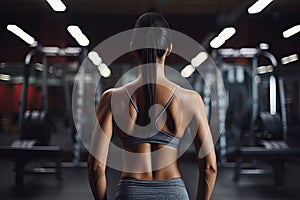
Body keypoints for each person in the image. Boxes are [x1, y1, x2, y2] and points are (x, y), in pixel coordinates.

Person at [88, 12, 217, 200]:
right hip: (174, 193)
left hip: (130, 193)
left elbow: (95, 166)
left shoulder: (111, 99)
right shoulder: (191, 100)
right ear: (169, 49)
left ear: (133, 49)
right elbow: (209, 167)